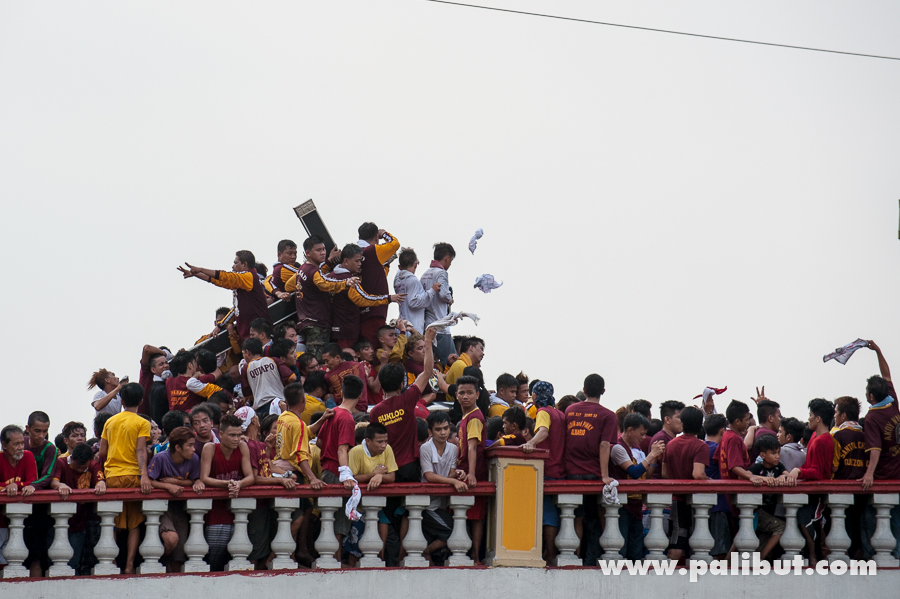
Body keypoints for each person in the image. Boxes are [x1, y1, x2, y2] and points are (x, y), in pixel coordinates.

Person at [370, 327, 437, 483]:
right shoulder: (407, 399)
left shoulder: (375, 412)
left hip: (386, 468)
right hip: (409, 465)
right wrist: (427, 341)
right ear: (401, 384)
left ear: (382, 384)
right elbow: (428, 371)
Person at [98, 382, 152, 574]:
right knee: (135, 524)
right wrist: (144, 476)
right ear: (141, 400)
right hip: (133, 476)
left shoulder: (110, 422)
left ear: (121, 401)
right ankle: (129, 565)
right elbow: (140, 450)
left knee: (113, 521)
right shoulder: (142, 423)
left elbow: (102, 451)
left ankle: (112, 562)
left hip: (112, 476)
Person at [564, 374, 618, 566]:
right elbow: (604, 444)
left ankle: (575, 557)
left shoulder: (570, 410)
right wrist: (605, 475)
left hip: (571, 472)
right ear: (603, 391)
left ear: (584, 390)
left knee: (575, 518)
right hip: (593, 474)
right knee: (594, 518)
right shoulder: (608, 415)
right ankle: (591, 559)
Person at [199, 413, 255, 571]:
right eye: (232, 435)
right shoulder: (210, 448)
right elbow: (204, 478)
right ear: (221, 434)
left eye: (238, 435)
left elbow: (250, 476)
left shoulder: (242, 447)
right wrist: (228, 484)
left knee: (238, 558)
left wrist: (239, 484)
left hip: (238, 511)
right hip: (215, 512)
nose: (236, 439)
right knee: (214, 558)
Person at [284, 235, 354, 359]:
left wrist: (328, 261)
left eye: (323, 249)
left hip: (305, 323)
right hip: (318, 324)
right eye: (318, 250)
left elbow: (288, 285)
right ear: (308, 253)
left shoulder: (302, 269)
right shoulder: (314, 272)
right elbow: (325, 284)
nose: (323, 253)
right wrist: (346, 283)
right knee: (316, 361)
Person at [178, 250, 272, 342]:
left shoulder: (249, 277)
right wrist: (196, 274)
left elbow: (226, 276)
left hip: (260, 337)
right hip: (249, 338)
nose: (232, 266)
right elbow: (219, 281)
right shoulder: (241, 283)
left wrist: (201, 269)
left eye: (235, 263)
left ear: (244, 265)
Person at [322, 244, 405, 349]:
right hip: (348, 332)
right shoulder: (350, 281)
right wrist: (388, 298)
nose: (360, 264)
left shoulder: (329, 277)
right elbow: (364, 299)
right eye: (357, 261)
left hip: (332, 331)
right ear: (346, 261)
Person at [784, 398, 835, 566]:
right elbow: (810, 465)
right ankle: (813, 553)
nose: (809, 418)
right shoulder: (814, 436)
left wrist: (799, 471)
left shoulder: (823, 440)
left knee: (807, 519)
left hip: (819, 492)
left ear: (818, 418)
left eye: (811, 415)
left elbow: (818, 472)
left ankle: (814, 554)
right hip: (810, 490)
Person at [317, 374, 363, 556]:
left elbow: (319, 442)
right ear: (360, 395)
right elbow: (342, 449)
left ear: (341, 392)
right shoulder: (347, 418)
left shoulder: (334, 412)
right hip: (337, 472)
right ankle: (334, 561)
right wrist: (346, 475)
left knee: (329, 519)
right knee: (339, 524)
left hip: (326, 469)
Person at [147, 427, 203, 572]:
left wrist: (177, 482)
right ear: (178, 447)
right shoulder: (161, 458)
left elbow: (194, 480)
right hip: (162, 507)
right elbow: (150, 481)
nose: (193, 449)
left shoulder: (194, 459)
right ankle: (162, 560)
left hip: (181, 508)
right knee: (171, 539)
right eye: (190, 445)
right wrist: (167, 486)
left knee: (179, 554)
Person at [521, 380, 566, 563]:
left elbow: (544, 432)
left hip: (547, 469)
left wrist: (530, 443)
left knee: (548, 515)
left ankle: (549, 552)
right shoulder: (560, 414)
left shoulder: (543, 412)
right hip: (561, 469)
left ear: (535, 395)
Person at [610, 413, 664, 561]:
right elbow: (634, 472)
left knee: (636, 552)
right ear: (629, 430)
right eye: (641, 434)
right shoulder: (618, 448)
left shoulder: (637, 449)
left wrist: (654, 458)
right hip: (622, 506)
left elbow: (645, 475)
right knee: (622, 548)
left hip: (636, 505)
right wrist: (651, 454)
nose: (643, 438)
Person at [345, 422, 398, 566]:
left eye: (385, 441)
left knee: (379, 546)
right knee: (355, 549)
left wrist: (380, 476)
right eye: (379, 442)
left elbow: (391, 476)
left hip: (378, 505)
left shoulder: (388, 449)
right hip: (358, 507)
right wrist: (374, 474)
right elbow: (352, 478)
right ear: (368, 441)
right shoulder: (356, 452)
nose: (383, 445)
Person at [49, 443, 106, 575]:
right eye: (77, 467)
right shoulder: (61, 463)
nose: (80, 470)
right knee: (54, 562)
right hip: (58, 520)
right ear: (72, 458)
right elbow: (53, 482)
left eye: (83, 468)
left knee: (74, 563)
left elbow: (100, 480)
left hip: (80, 522)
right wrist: (60, 485)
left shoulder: (93, 465)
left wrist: (101, 483)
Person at [661, 406, 709, 561]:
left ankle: (667, 574)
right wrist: (709, 480)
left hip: (676, 501)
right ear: (700, 425)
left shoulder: (671, 444)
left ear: (682, 423)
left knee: (677, 541)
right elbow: (698, 474)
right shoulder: (701, 446)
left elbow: (664, 473)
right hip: (694, 501)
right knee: (696, 545)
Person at [419, 411, 466, 566]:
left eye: (446, 428)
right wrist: (453, 481)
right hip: (428, 505)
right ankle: (426, 551)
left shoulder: (453, 448)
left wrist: (458, 474)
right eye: (438, 429)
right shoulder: (425, 448)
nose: (443, 432)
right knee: (453, 530)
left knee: (457, 529)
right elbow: (429, 476)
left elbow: (451, 472)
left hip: (441, 504)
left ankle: (428, 552)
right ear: (430, 432)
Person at [455, 374, 488, 564]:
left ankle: (475, 555)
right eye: (461, 393)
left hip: (473, 472)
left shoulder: (474, 417)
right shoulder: (466, 416)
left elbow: (472, 447)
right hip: (464, 470)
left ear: (477, 394)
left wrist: (472, 473)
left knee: (475, 516)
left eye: (469, 392)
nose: (465, 396)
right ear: (456, 395)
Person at [356, 224, 401, 347]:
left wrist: (386, 265)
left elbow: (375, 275)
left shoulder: (354, 253)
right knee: (375, 348)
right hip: (374, 310)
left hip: (362, 311)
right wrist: (384, 234)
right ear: (376, 237)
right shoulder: (372, 250)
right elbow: (395, 244)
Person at [274, 383, 326, 488]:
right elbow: (299, 455)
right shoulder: (298, 424)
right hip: (294, 474)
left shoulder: (283, 417)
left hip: (283, 471)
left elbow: (304, 433)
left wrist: (322, 419)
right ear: (303, 399)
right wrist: (312, 478)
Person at [1, 424, 37, 570]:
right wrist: (8, 486)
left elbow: (32, 481)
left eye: (22, 443)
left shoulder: (28, 456)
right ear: (4, 445)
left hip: (24, 517)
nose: (20, 447)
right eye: (16, 444)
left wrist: (15, 484)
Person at [748, 434, 788, 560]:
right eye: (773, 453)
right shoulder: (757, 468)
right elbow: (745, 476)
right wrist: (765, 479)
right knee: (781, 527)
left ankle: (760, 559)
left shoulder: (779, 466)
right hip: (758, 511)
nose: (777, 456)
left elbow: (787, 474)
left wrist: (782, 477)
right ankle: (761, 558)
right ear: (763, 455)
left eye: (778, 452)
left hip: (770, 511)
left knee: (763, 539)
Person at [419, 242, 455, 363]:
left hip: (427, 326)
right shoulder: (441, 273)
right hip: (440, 326)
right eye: (451, 261)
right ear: (447, 258)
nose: (450, 264)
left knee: (431, 363)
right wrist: (450, 299)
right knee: (454, 362)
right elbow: (443, 294)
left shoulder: (425, 274)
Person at [239, 337, 295, 415]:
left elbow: (248, 395)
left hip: (263, 408)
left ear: (247, 352)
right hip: (281, 403)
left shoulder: (245, 369)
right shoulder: (273, 360)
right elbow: (293, 378)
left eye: (243, 353)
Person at [703, 414, 732, 559]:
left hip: (701, 504)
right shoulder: (718, 450)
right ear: (722, 431)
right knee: (719, 550)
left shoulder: (701, 447)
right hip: (719, 504)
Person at [393, 248, 438, 334]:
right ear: (415, 265)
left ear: (399, 266)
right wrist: (432, 291)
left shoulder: (397, 280)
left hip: (401, 325)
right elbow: (413, 302)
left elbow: (400, 270)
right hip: (412, 327)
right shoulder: (413, 280)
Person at [322, 343, 370, 414]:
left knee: (329, 397)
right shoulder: (359, 366)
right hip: (362, 411)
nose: (326, 364)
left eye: (327, 361)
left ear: (337, 358)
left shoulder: (329, 375)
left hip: (344, 413)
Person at [648, 400, 684, 479]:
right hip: (660, 484)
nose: (683, 421)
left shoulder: (668, 438)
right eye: (679, 417)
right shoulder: (662, 439)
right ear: (667, 420)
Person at [444, 337, 485, 403]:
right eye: (481, 349)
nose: (483, 353)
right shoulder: (461, 365)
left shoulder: (463, 365)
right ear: (471, 348)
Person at [744, 397, 781, 462]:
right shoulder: (770, 435)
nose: (780, 420)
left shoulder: (755, 431)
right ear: (770, 418)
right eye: (779, 416)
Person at [139, 345, 169, 416]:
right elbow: (147, 349)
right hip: (143, 418)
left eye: (166, 362)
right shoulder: (146, 372)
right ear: (153, 369)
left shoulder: (167, 378)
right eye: (161, 364)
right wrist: (165, 353)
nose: (165, 366)